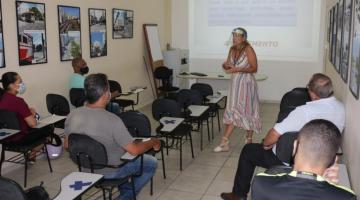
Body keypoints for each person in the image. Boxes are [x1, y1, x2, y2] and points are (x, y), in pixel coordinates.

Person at [220, 73, 345, 200]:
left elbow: (274, 134)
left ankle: (239, 195)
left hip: (293, 160)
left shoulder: (303, 112)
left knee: (249, 150)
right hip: (325, 160)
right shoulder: (341, 108)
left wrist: (266, 144)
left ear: (312, 93)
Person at [64, 73, 160, 200]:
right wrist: (153, 141)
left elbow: (66, 145)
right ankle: (126, 196)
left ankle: (125, 187)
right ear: (106, 94)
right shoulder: (113, 120)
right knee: (151, 163)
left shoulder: (72, 115)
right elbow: (134, 150)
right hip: (113, 170)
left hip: (85, 168)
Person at [252, 119, 356, 200]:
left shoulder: (261, 184)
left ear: (294, 146)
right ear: (334, 160)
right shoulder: (346, 197)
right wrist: (331, 186)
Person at [214, 27, 261, 152]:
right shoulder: (232, 49)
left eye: (237, 36)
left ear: (243, 38)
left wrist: (237, 69)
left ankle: (240, 139)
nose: (234, 38)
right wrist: (226, 65)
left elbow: (254, 68)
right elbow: (229, 64)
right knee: (232, 109)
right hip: (235, 84)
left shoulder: (248, 49)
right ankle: (229, 142)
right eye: (233, 35)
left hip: (246, 84)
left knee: (246, 110)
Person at [0, 72, 44, 160]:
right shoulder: (18, 101)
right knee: (47, 130)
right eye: (20, 81)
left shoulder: (2, 98)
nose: (22, 84)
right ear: (12, 85)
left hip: (6, 138)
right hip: (21, 138)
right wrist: (33, 114)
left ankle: (31, 155)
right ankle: (32, 153)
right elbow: (32, 124)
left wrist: (27, 111)